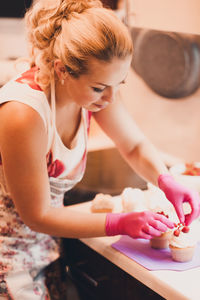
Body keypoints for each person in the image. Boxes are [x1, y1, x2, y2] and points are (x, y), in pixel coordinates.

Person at [0, 0, 199, 299]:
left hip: (48, 247)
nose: (111, 97)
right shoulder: (23, 113)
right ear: (62, 69)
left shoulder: (93, 91)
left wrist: (166, 179)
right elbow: (37, 214)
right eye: (100, 87)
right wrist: (120, 223)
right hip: (8, 260)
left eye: (120, 83)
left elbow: (133, 145)